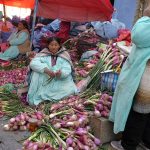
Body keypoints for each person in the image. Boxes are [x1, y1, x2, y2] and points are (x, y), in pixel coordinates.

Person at [109, 3, 150, 150]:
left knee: (140, 110)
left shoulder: (147, 25)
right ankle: (146, 141)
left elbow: (138, 37)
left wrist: (146, 16)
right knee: (147, 111)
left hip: (146, 73)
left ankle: (128, 144)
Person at [27, 37, 77, 106]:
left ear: (59, 45)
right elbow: (33, 63)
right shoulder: (43, 54)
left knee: (69, 90)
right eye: (51, 45)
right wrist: (46, 70)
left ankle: (51, 97)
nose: (53, 47)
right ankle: (41, 96)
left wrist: (60, 74)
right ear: (48, 45)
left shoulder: (64, 55)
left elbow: (67, 69)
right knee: (36, 73)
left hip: (59, 80)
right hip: (46, 78)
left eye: (56, 45)